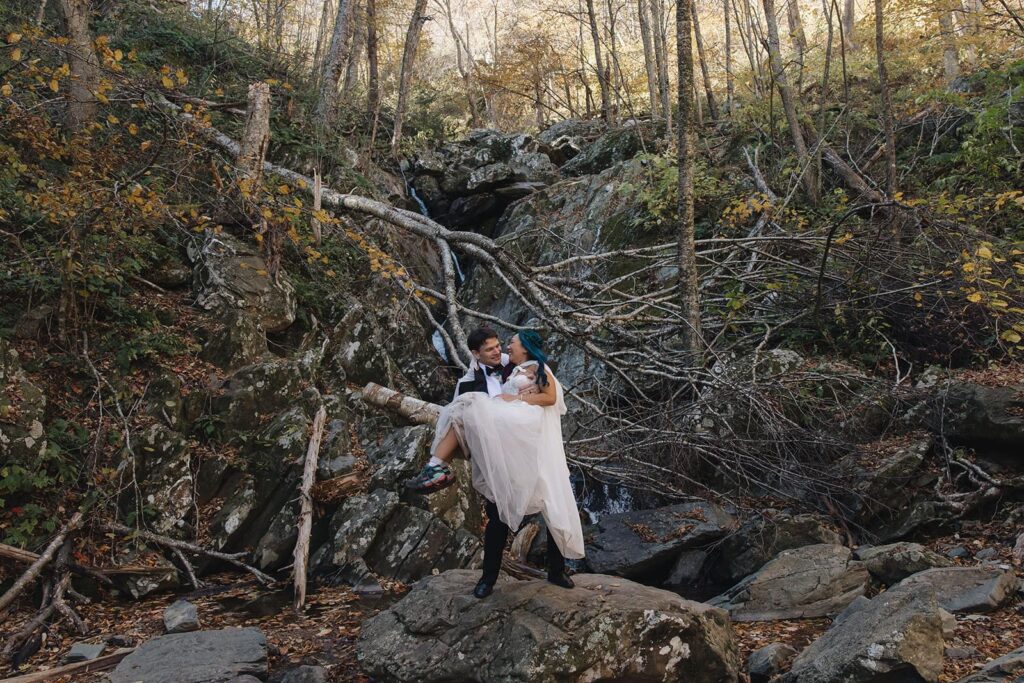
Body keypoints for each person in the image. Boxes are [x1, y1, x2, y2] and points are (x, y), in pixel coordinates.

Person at [405, 327, 585, 598]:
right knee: (497, 518)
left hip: (531, 447)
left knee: (552, 503)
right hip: (499, 459)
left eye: (502, 345)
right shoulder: (468, 382)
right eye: (490, 349)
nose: (499, 351)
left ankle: (556, 571)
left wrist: (520, 396)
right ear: (476, 355)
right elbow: (466, 424)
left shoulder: (519, 366)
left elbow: (548, 394)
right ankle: (488, 579)